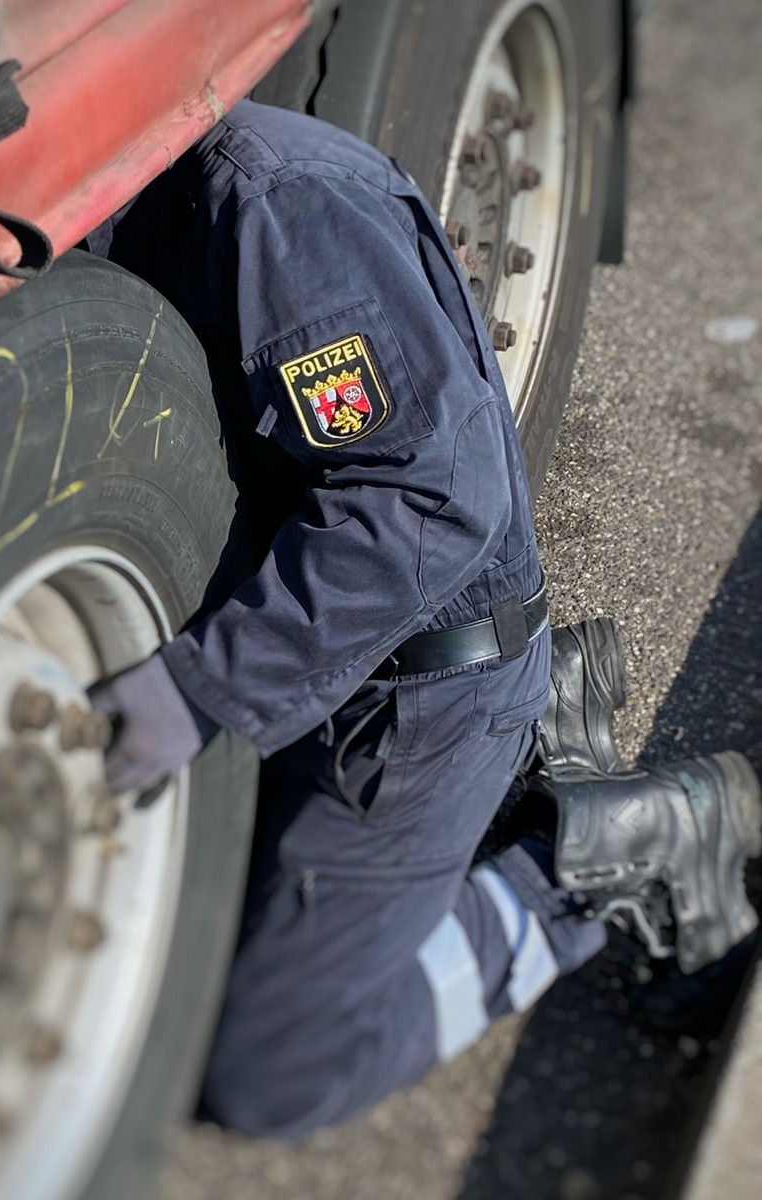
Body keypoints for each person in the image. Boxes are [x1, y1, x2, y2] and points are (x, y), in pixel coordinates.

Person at [87, 101, 762, 1137]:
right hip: (365, 652)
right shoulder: (202, 181)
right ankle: (542, 730)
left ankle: (591, 864)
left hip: (417, 697)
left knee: (265, 1068)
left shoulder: (270, 208)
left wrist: (203, 686)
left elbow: (428, 504)